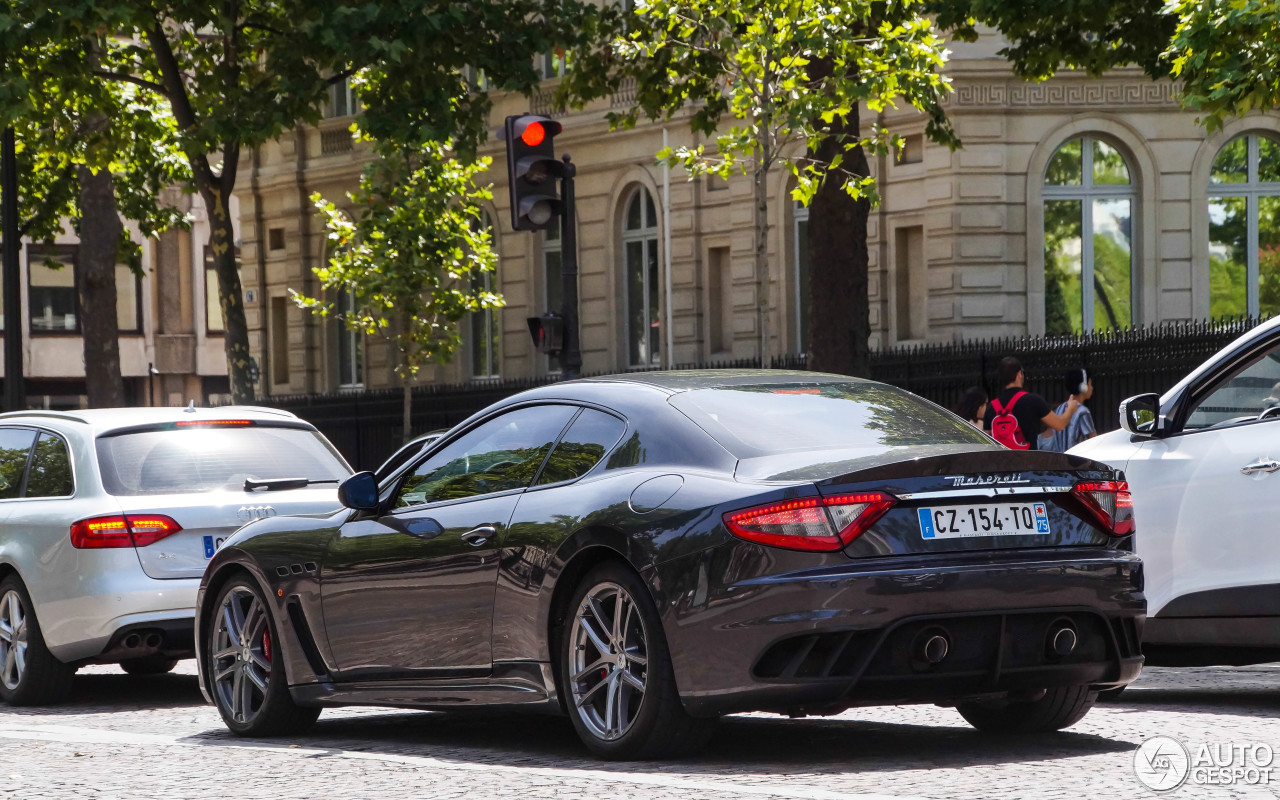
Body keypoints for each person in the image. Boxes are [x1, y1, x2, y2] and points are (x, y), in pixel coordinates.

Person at [982, 356, 1079, 450]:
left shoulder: (991, 407)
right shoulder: (1033, 401)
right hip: (1028, 462)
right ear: (1019, 374)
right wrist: (1070, 409)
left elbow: (985, 442)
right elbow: (1059, 424)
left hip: (1001, 464)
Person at [1040, 367, 1097, 453]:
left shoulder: (1059, 409)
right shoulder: (1082, 412)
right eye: (1090, 384)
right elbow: (1094, 439)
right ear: (1083, 387)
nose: (1092, 388)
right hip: (1078, 461)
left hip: (1061, 461)